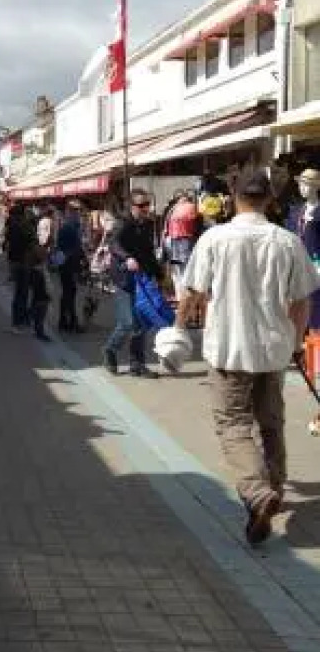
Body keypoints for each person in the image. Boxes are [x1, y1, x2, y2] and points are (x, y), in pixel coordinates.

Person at [176, 169, 318, 545]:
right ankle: (274, 486)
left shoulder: (214, 239)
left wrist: (177, 328)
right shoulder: (287, 242)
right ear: (270, 199)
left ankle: (258, 494)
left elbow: (192, 291)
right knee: (270, 423)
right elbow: (302, 299)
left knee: (234, 425)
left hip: (228, 348)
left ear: (233, 198)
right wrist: (296, 340)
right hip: (272, 349)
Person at [103, 189, 164, 377]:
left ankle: (137, 364)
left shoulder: (146, 225)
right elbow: (114, 245)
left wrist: (160, 275)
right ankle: (110, 350)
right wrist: (127, 258)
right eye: (141, 205)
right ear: (131, 206)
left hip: (141, 280)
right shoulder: (122, 224)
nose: (146, 209)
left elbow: (148, 252)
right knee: (127, 323)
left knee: (141, 324)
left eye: (147, 204)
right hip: (123, 279)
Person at [163, 190, 200, 300]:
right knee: (187, 270)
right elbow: (198, 225)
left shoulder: (171, 209)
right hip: (185, 242)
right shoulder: (192, 207)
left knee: (176, 271)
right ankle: (187, 297)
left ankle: (180, 296)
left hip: (171, 242)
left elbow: (164, 228)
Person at [4, 203, 35, 330]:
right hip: (24, 262)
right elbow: (31, 244)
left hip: (17, 262)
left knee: (20, 292)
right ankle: (20, 320)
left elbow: (9, 244)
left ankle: (19, 319)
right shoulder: (25, 226)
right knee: (22, 292)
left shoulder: (13, 226)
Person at [56, 200, 85, 332]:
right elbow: (74, 248)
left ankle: (64, 320)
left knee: (68, 292)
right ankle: (71, 321)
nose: (78, 213)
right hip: (68, 264)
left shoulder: (69, 227)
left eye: (78, 210)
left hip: (66, 264)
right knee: (69, 292)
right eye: (75, 210)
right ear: (68, 212)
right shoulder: (69, 227)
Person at [27, 244, 52, 341]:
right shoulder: (39, 271)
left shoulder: (35, 270)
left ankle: (30, 318)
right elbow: (42, 285)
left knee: (37, 313)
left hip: (38, 297)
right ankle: (39, 332)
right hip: (42, 297)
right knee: (40, 316)